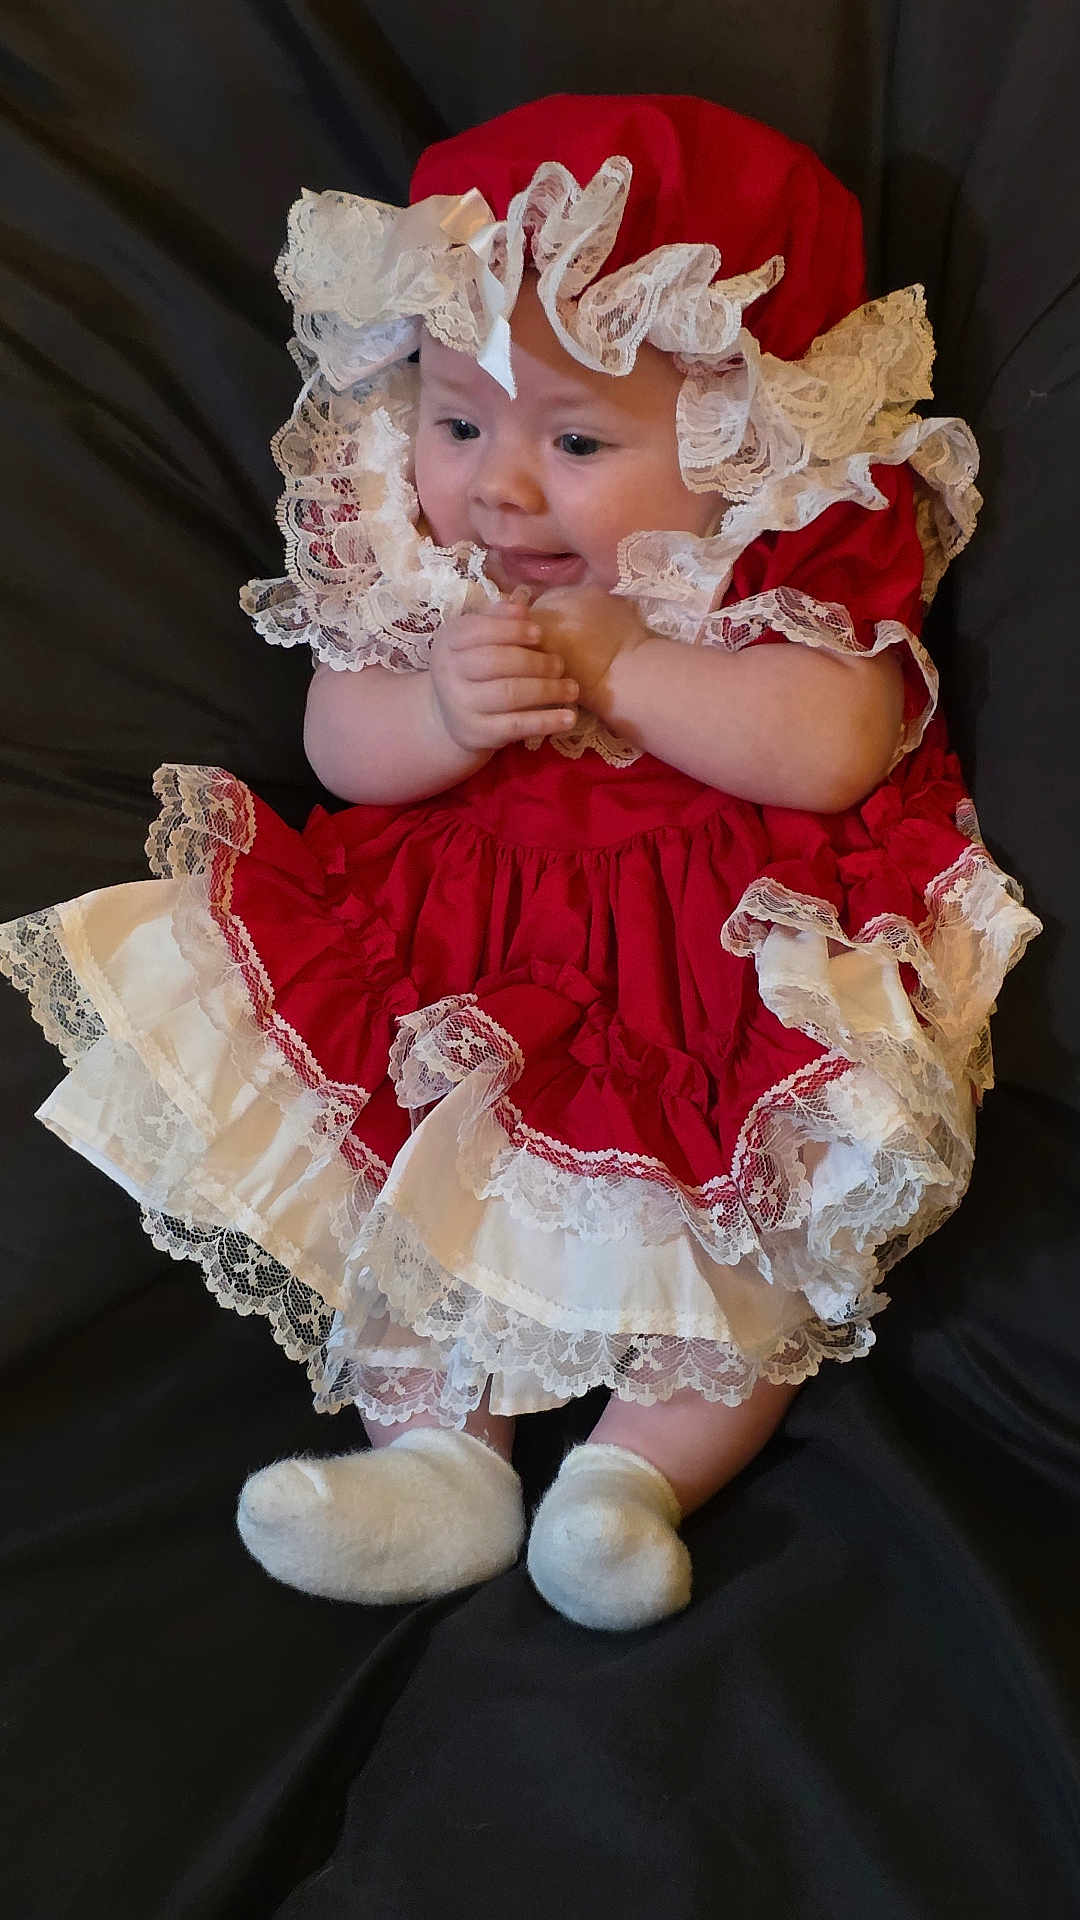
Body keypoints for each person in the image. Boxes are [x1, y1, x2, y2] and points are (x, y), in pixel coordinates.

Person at [0, 94, 1040, 1631]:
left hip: (703, 974)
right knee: (399, 1206)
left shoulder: (780, 560)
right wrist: (433, 703)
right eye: (458, 421)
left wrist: (629, 667)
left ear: (739, 437)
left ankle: (632, 1486)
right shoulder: (434, 571)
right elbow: (341, 751)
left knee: (742, 1267)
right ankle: (440, 1464)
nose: (497, 485)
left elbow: (835, 745)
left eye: (575, 439)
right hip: (453, 946)